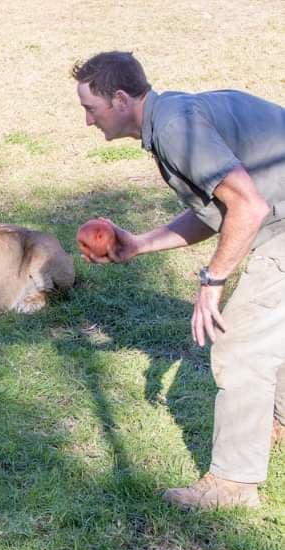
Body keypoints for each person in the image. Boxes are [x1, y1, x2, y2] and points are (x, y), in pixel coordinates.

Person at [71, 51, 285, 509]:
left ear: (121, 98)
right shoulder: (173, 120)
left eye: (91, 108)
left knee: (240, 342)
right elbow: (219, 210)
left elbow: (247, 207)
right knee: (269, 331)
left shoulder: (173, 128)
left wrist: (212, 283)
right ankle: (275, 421)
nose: (88, 122)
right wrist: (139, 243)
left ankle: (233, 485)